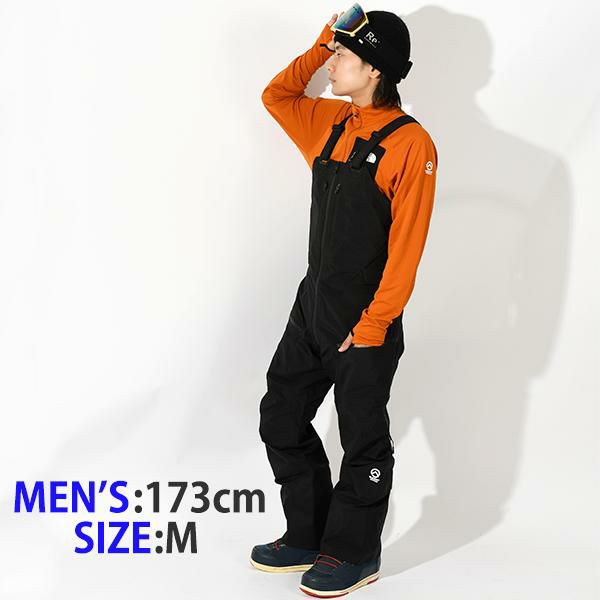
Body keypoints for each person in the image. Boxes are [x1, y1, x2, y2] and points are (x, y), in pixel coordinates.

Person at [250, 5, 438, 597]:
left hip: (365, 317)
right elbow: (277, 95)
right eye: (333, 55)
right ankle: (307, 533)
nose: (331, 66)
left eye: (344, 57)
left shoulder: (411, 144)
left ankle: (354, 552)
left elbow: (407, 249)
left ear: (376, 69)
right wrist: (321, 42)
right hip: (311, 306)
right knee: (281, 415)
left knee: (363, 440)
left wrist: (376, 323)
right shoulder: (330, 123)